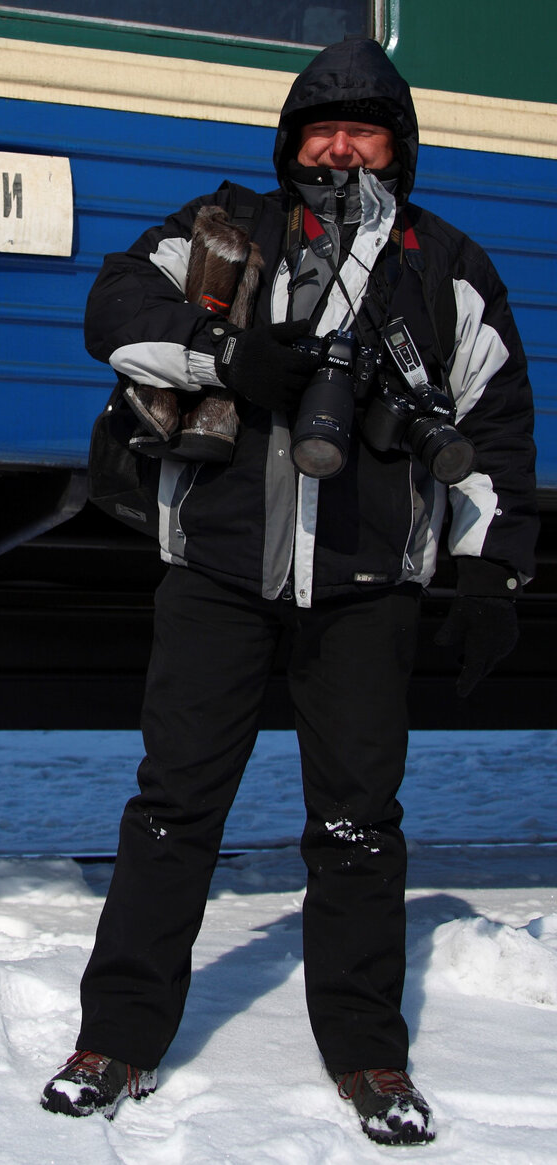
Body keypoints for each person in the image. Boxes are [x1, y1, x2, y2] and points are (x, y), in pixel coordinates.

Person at [40, 36, 537, 1146]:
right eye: (324, 128)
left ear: (398, 149)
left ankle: (368, 1052)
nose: (342, 146)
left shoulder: (446, 264)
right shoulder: (227, 231)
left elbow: (496, 425)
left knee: (359, 827)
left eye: (365, 129)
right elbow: (113, 310)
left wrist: (494, 569)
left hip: (367, 590)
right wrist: (226, 355)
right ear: (291, 145)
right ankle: (114, 1035)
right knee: (174, 810)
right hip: (216, 574)